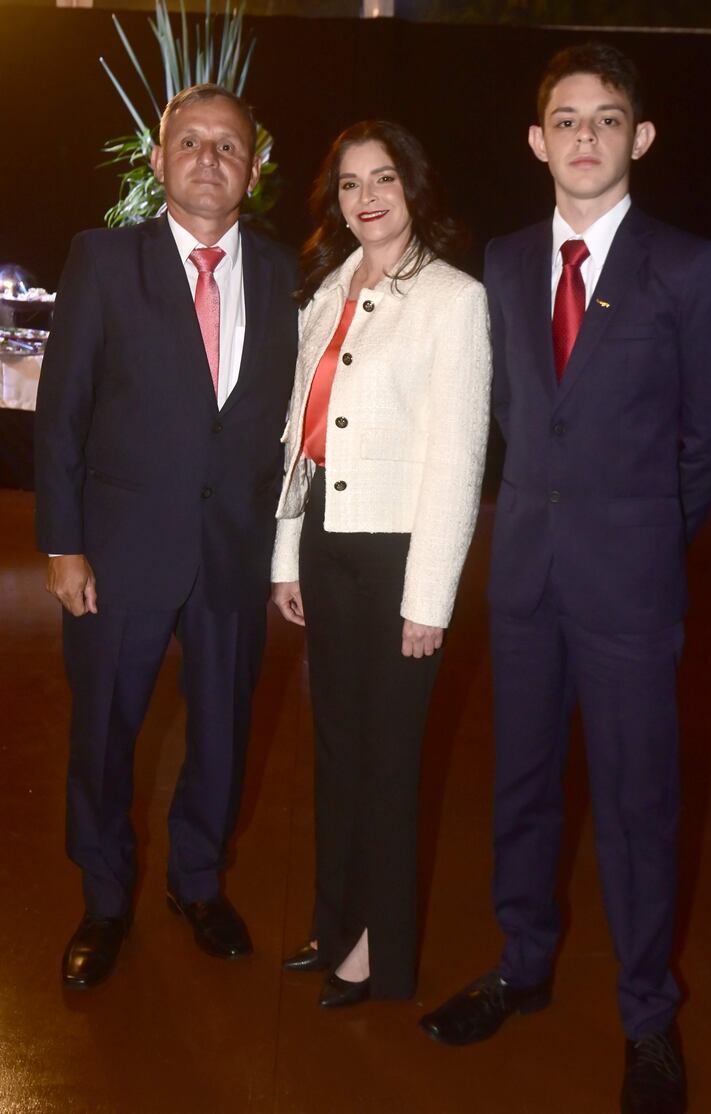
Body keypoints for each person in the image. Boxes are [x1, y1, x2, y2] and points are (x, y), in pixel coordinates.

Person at [419, 42, 711, 1114]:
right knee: (519, 790)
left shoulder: (687, 267)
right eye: (564, 119)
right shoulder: (505, 263)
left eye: (606, 119)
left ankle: (646, 1015)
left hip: (627, 592)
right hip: (522, 583)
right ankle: (522, 964)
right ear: (534, 140)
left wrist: (645, 533)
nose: (584, 138)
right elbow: (504, 416)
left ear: (638, 137)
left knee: (637, 807)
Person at [35, 84, 298, 988]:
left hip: (232, 553)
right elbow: (62, 411)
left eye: (229, 145)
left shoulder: (279, 273)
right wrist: (62, 544)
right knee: (105, 737)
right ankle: (104, 901)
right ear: (159, 160)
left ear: (254, 169)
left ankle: (197, 881)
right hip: (118, 554)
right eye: (191, 141)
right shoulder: (103, 260)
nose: (209, 158)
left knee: (223, 733)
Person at [271, 120, 491, 1007]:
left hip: (401, 556)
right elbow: (302, 437)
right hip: (326, 541)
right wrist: (286, 554)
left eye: (385, 180)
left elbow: (458, 459)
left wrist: (429, 597)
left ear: (414, 190)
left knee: (389, 760)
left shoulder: (454, 299)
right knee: (335, 750)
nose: (368, 198)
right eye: (352, 183)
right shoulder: (324, 290)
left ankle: (378, 952)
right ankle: (335, 920)